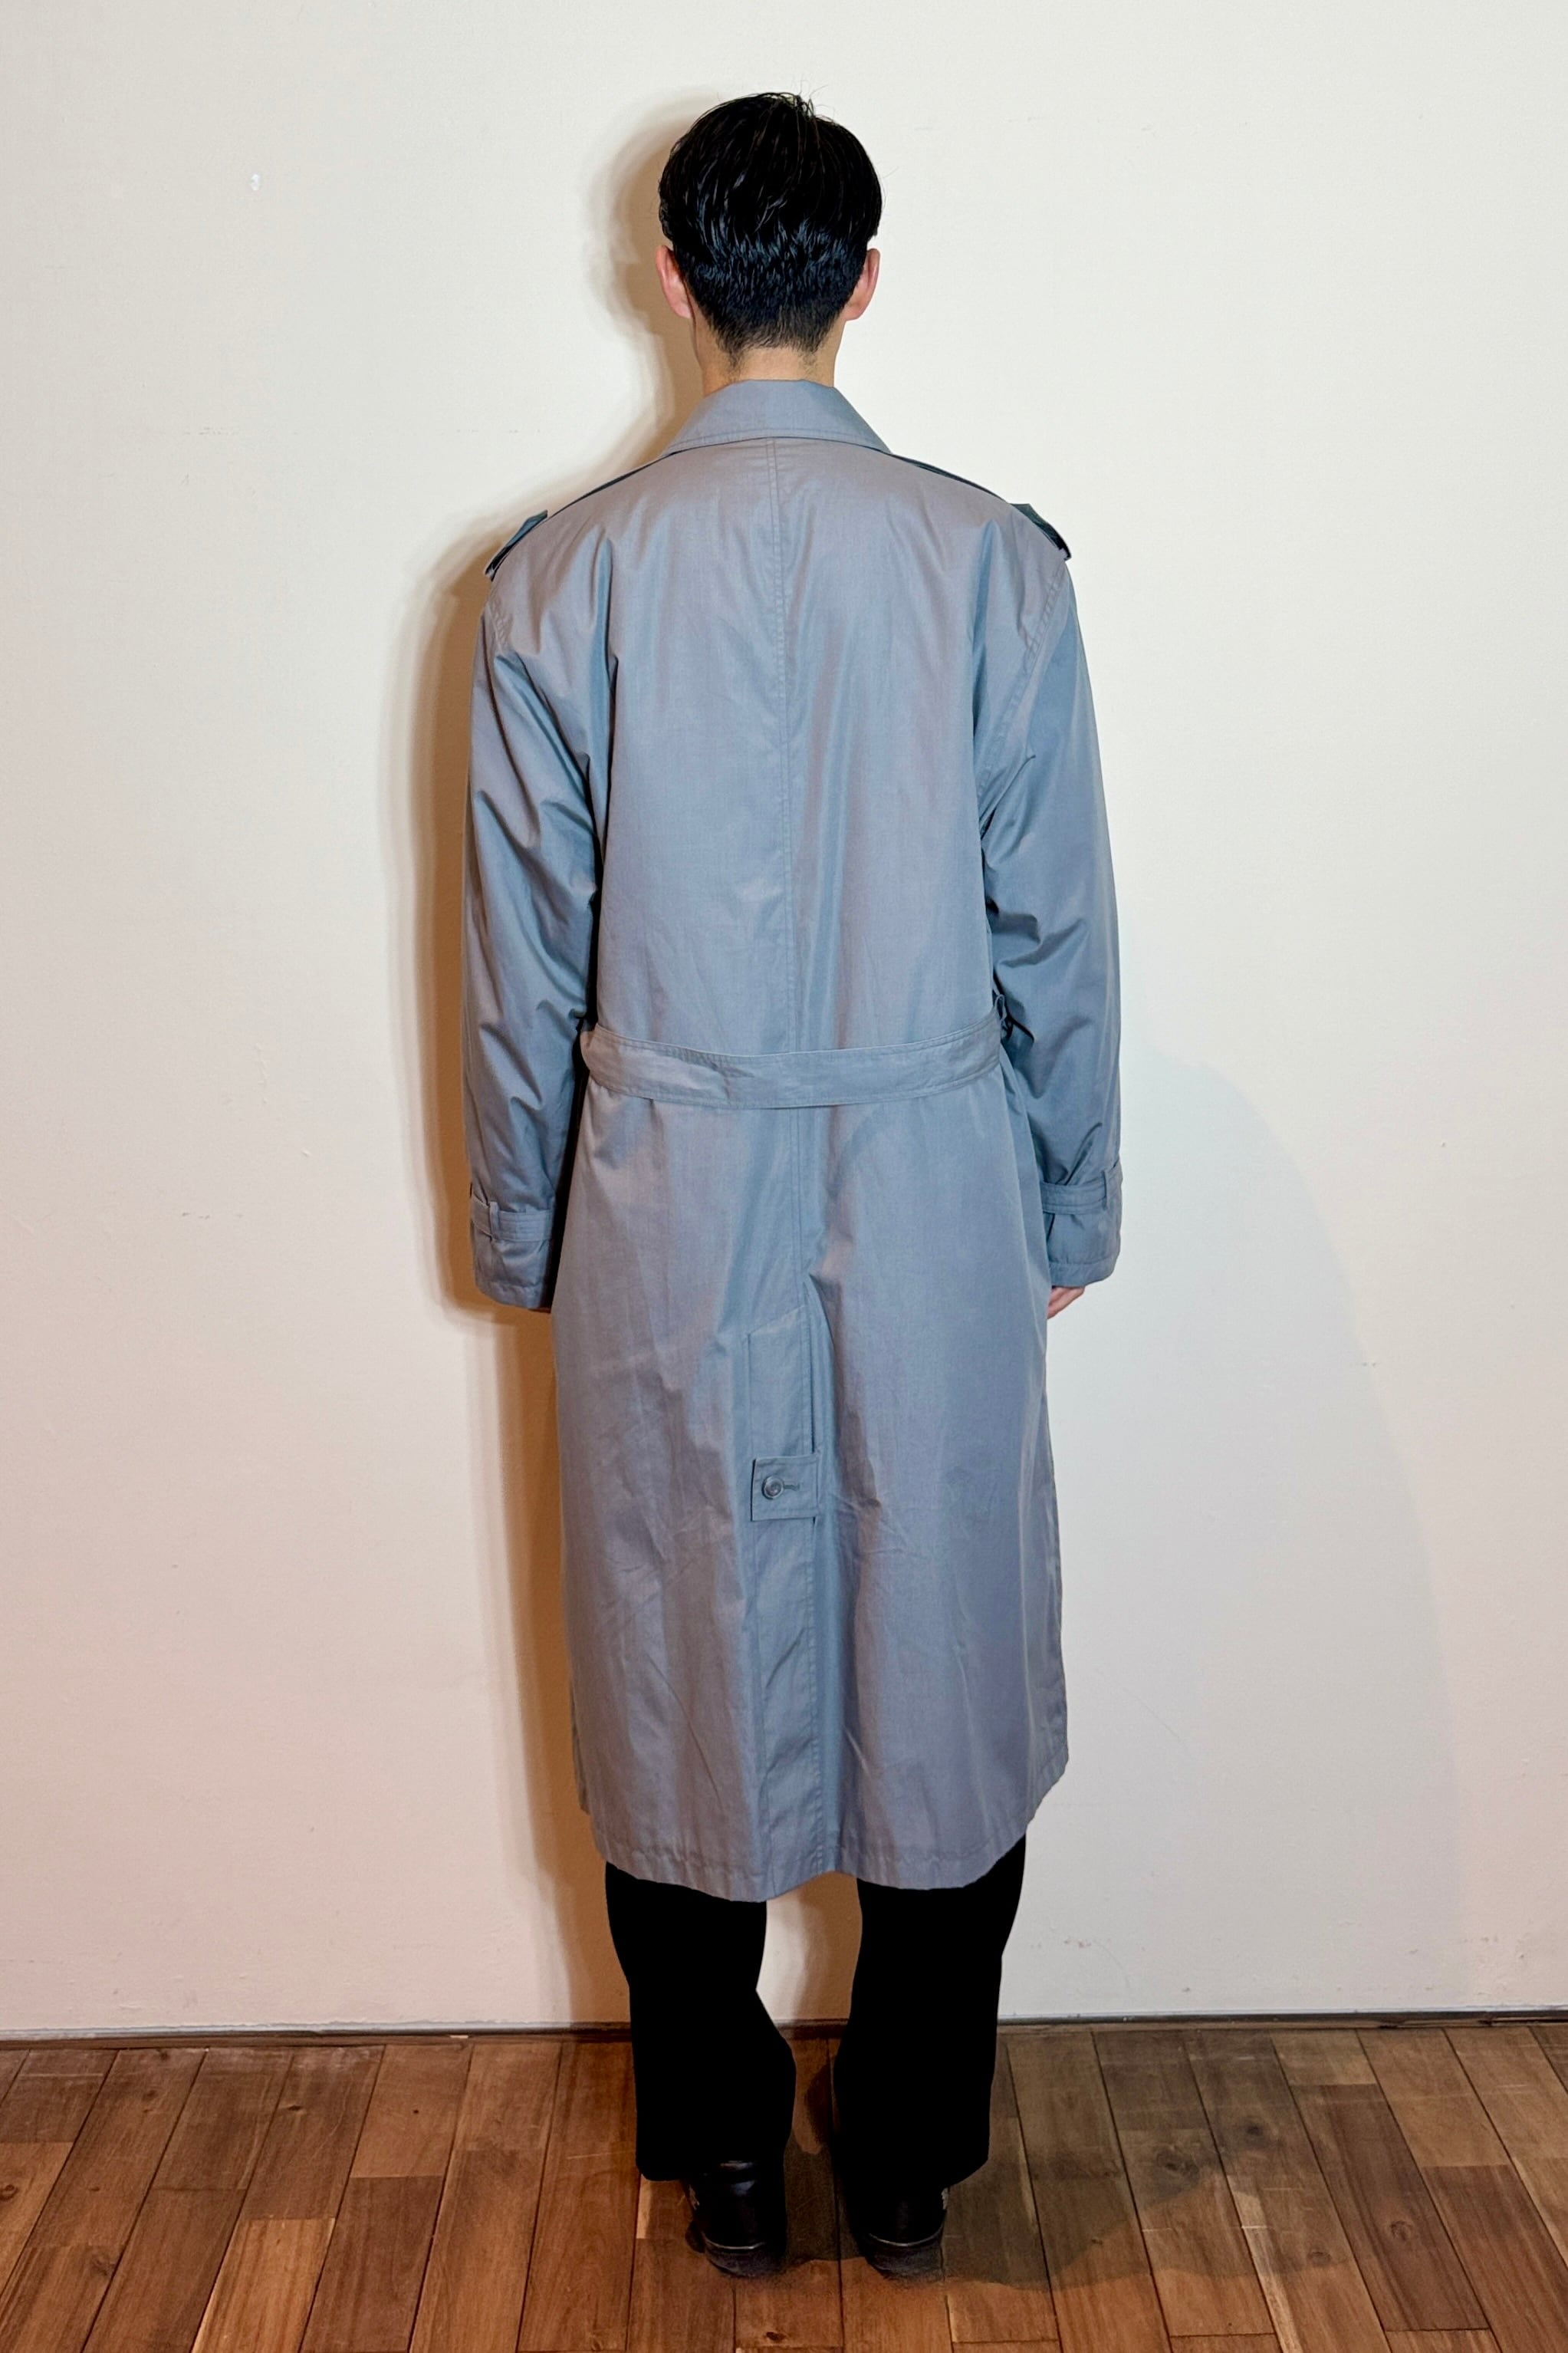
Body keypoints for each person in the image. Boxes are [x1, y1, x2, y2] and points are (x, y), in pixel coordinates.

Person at [461, 91, 1122, 2282]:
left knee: (677, 1669)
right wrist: (1071, 1205)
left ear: (672, 278)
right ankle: (908, 2154)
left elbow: (521, 960)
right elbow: (1059, 932)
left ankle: (728, 2155)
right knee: (941, 1662)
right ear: (862, 280)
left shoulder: (558, 581)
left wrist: (527, 1229)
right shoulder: (993, 565)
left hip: (664, 1194)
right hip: (933, 1179)